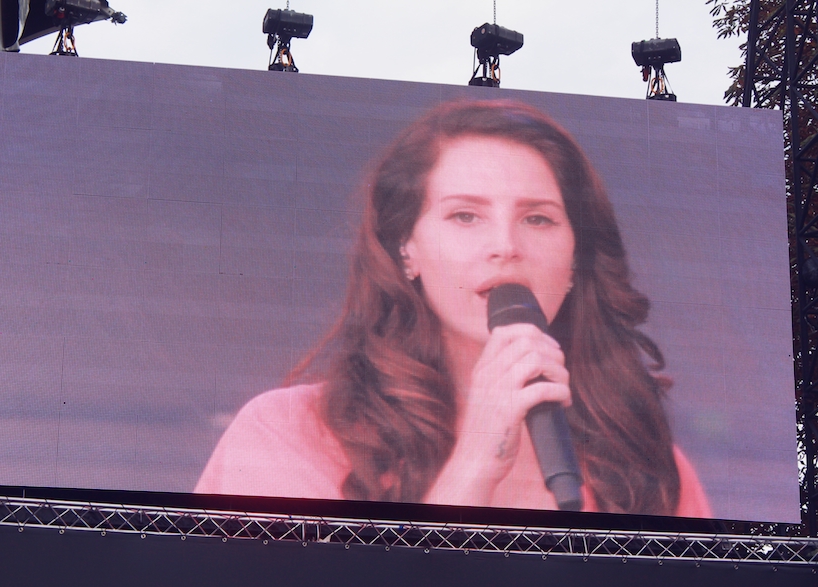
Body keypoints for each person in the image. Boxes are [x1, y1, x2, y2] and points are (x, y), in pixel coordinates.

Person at [196, 100, 711, 517]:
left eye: (538, 219)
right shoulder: (288, 432)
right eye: (466, 216)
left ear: (576, 259)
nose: (505, 246)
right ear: (406, 247)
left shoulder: (650, 471)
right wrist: (478, 457)